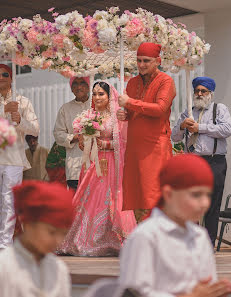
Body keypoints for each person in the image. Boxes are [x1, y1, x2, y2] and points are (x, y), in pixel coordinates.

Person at [119, 154, 231, 297]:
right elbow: (135, 292)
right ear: (168, 194)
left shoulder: (200, 236)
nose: (204, 203)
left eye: (207, 195)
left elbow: (207, 285)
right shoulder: (146, 237)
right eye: (196, 195)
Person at [58, 81, 136, 256]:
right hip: (94, 164)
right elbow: (88, 141)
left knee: (110, 197)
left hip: (112, 164)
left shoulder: (118, 116)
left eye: (101, 94)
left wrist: (107, 144)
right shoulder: (90, 116)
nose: (97, 97)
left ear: (109, 97)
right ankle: (87, 240)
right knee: (91, 197)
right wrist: (85, 139)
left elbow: (124, 142)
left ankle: (116, 239)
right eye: (94, 94)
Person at [0, 63, 39, 250]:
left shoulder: (23, 101)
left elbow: (35, 129)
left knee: (9, 201)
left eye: (5, 74)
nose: (2, 77)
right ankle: (3, 239)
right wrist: (3, 111)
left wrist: (20, 121)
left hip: (14, 157)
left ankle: (4, 243)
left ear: (11, 77)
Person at [0, 181, 74, 297]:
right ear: (27, 224)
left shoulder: (59, 270)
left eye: (63, 234)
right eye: (51, 232)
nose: (57, 241)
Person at [117, 42, 176, 222]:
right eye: (138, 60)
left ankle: (160, 239)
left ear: (157, 61)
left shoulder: (166, 81)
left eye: (146, 61)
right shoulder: (133, 83)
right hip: (135, 146)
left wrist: (129, 104)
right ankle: (143, 236)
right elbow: (135, 112)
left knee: (154, 193)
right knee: (137, 193)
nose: (141, 64)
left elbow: (159, 109)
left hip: (155, 146)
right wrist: (125, 114)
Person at [171, 77, 231, 246]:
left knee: (212, 202)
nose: (199, 94)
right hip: (193, 162)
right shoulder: (188, 112)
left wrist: (201, 128)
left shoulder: (219, 109)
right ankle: (191, 240)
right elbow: (174, 137)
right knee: (190, 201)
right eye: (196, 91)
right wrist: (182, 126)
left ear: (210, 93)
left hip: (214, 161)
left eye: (203, 91)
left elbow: (227, 129)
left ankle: (209, 243)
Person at [53, 76, 92, 190]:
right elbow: (58, 134)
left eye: (82, 83)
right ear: (71, 88)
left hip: (95, 162)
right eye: (75, 84)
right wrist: (75, 137)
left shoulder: (96, 105)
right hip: (75, 163)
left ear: (88, 86)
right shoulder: (65, 108)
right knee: (75, 203)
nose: (79, 87)